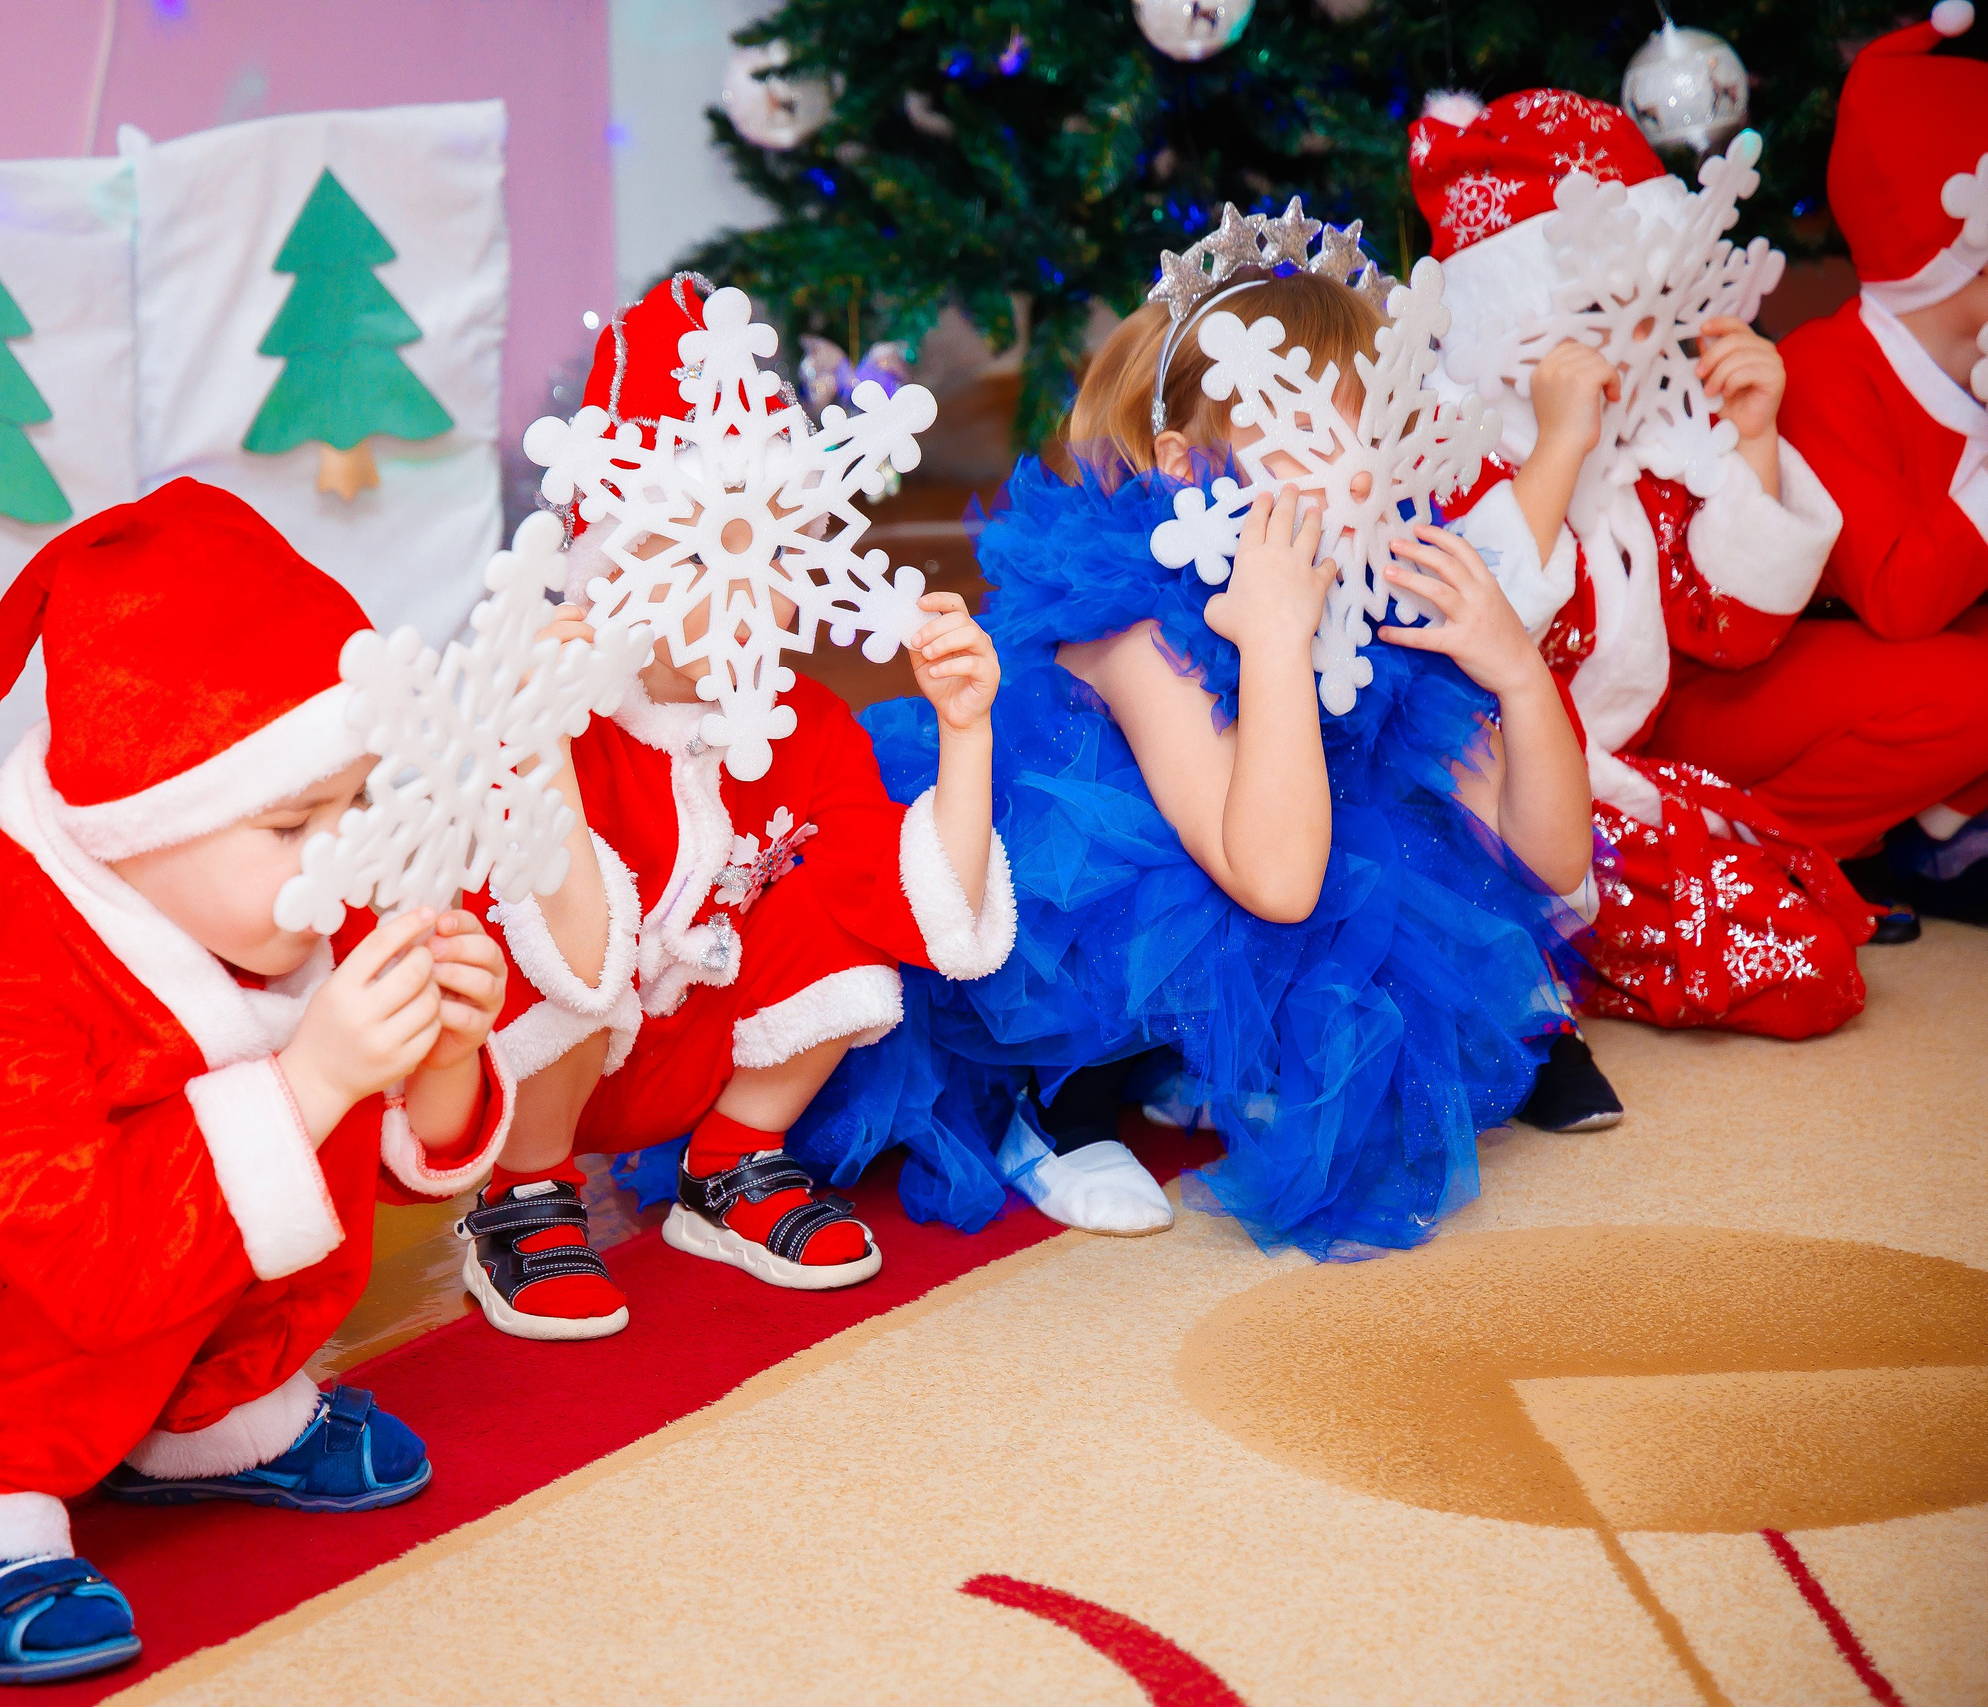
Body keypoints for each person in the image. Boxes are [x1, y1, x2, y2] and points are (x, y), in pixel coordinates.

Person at [0, 480, 514, 1685]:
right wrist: (315, 1075)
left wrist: (440, 1056)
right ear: (137, 821)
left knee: (315, 1083)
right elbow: (81, 1250)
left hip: (124, 1261)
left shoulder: (285, 904)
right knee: (292, 1089)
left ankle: (203, 1408)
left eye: (354, 806)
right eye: (296, 822)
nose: (336, 856)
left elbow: (390, 1155)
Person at [798, 228, 1596, 1260]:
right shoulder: (1136, 629)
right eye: (1307, 441)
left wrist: (1516, 672)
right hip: (1053, 900)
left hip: (1263, 832)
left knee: (1393, 854)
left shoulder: (1375, 589)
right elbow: (1272, 879)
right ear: (1187, 466)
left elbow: (1550, 863)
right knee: (1137, 863)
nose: (1348, 478)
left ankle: (1166, 1052)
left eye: (1369, 440)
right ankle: (1050, 1097)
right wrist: (1271, 638)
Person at [452, 275, 1016, 1341]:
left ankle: (730, 1167)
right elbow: (556, 946)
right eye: (712, 560)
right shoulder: (561, 711)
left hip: (704, 1043)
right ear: (618, 569)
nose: (760, 597)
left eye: (779, 556)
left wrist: (964, 731)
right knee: (543, 911)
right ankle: (523, 1195)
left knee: (837, 890)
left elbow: (923, 902)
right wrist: (538, 738)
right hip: (563, 1054)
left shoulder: (799, 721)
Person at [1410, 89, 1872, 1045]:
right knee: (1799, 962)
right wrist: (1555, 455)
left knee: (1814, 901)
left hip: (1615, 781)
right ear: (1522, 315)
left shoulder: (1632, 454)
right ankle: (1519, 956)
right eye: (1601, 312)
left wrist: (1751, 442)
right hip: (1501, 816)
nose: (1634, 340)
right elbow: (1464, 639)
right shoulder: (1450, 466)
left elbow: (1731, 631)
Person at [1644, 1, 1988, 929]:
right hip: (1737, 679)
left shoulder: (1967, 375)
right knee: (1973, 690)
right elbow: (1904, 595)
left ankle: (1937, 831)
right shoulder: (1834, 370)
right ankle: (1753, 852)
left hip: (1861, 674)